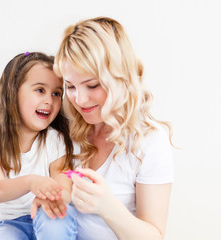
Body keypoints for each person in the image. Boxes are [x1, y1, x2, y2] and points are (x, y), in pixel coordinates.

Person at [31, 17, 174, 239]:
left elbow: (154, 235)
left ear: (120, 77)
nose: (80, 99)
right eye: (70, 86)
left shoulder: (149, 141)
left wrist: (107, 207)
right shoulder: (65, 130)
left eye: (92, 85)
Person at [0, 52, 77, 239]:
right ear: (13, 91)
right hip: (6, 223)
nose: (50, 100)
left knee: (56, 221)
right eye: (40, 90)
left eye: (56, 93)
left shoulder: (55, 140)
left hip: (46, 213)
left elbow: (65, 190)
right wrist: (31, 182)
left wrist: (52, 196)